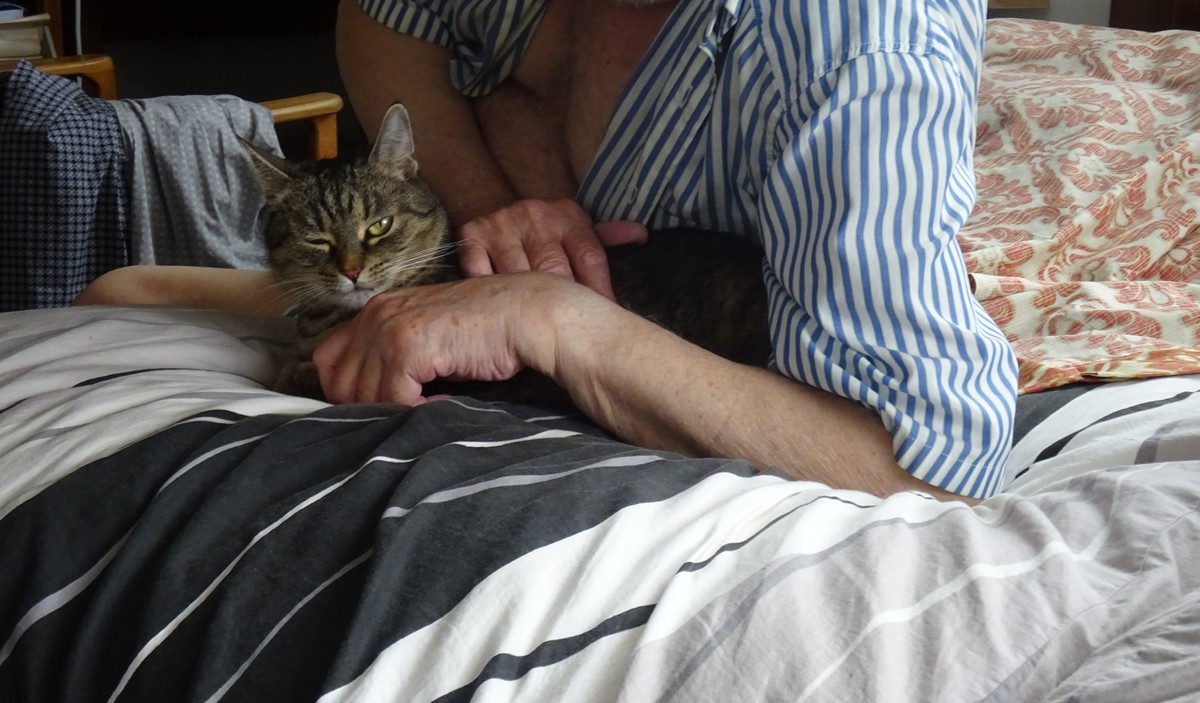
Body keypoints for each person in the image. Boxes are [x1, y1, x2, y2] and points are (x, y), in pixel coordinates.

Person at [77, 0, 1017, 503]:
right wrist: (490, 204)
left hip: (676, 318)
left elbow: (926, 471)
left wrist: (555, 319)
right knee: (122, 290)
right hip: (460, 272)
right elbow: (382, 17)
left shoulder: (862, 49)